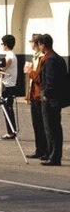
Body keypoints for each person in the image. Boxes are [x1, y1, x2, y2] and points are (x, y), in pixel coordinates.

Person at [37, 33, 67, 166]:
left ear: (42, 45)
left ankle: (54, 156)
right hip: (57, 97)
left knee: (51, 127)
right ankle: (52, 154)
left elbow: (50, 79)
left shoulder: (50, 60)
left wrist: (46, 93)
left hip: (50, 98)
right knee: (54, 126)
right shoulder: (58, 58)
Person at [24, 34, 49, 158]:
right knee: (36, 124)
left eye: (31, 41)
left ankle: (45, 149)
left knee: (42, 124)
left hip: (39, 94)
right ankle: (39, 149)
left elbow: (39, 77)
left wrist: (30, 72)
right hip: (34, 94)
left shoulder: (42, 58)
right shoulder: (35, 57)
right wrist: (28, 95)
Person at [0, 34, 19, 139]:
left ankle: (11, 132)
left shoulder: (9, 56)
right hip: (7, 85)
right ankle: (11, 130)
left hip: (8, 86)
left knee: (8, 109)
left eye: (2, 44)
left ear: (5, 45)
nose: (2, 46)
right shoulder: (8, 55)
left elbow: (2, 68)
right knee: (7, 109)